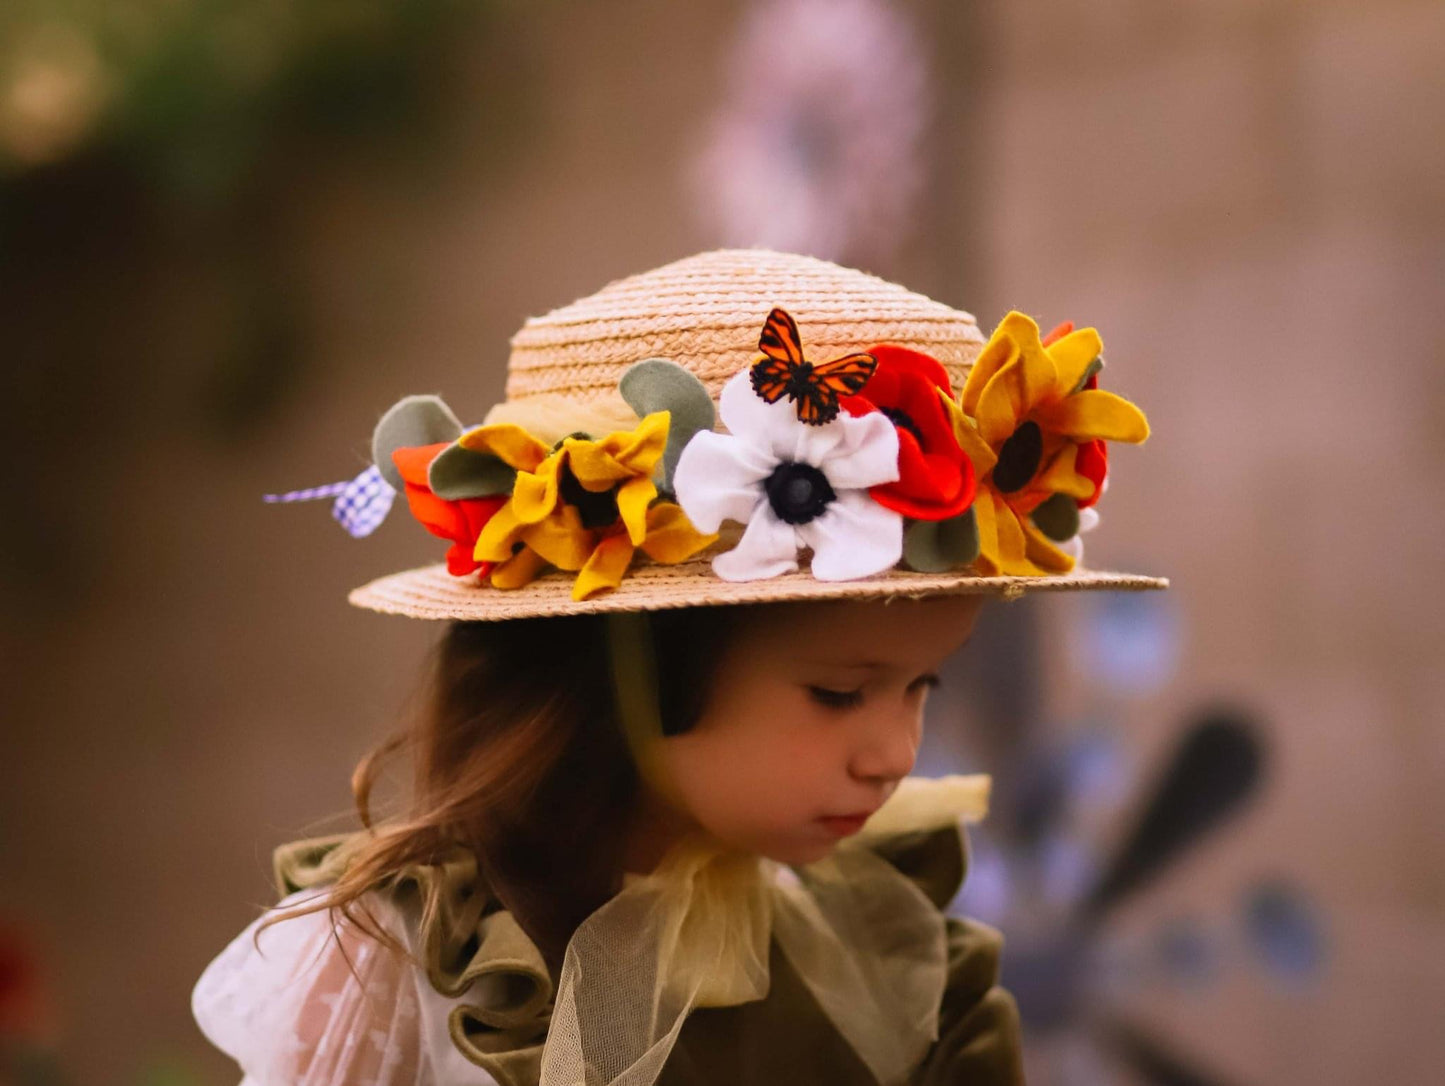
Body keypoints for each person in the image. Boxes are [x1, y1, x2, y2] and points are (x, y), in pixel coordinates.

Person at [191, 249, 1159, 1085]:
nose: (893, 755)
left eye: (921, 686)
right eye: (836, 693)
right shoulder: (408, 964)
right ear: (629, 662)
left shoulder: (887, 950)